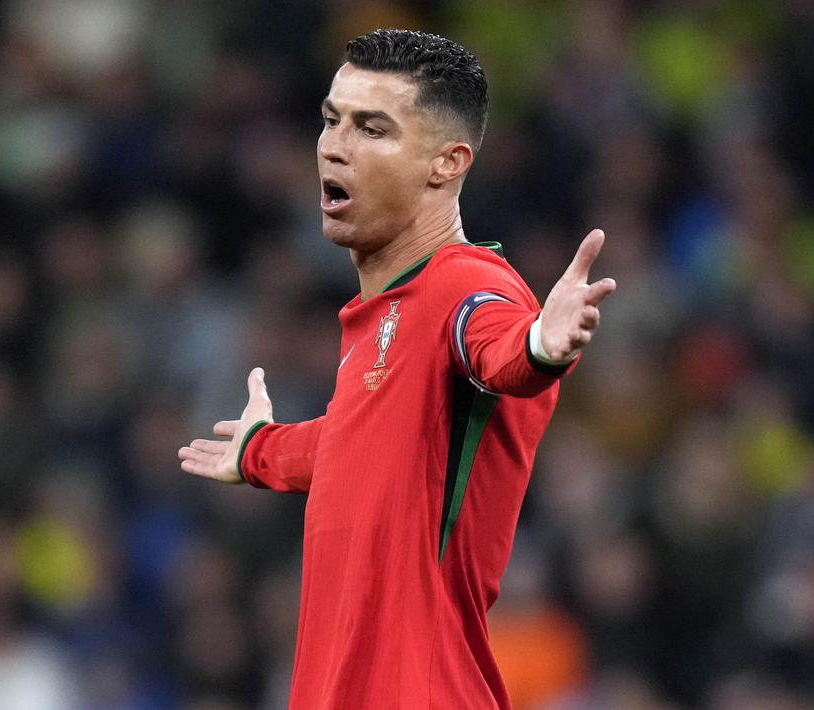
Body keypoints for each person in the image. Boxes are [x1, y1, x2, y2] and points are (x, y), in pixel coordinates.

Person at [178, 29, 615, 709]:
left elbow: (498, 352)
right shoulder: (385, 313)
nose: (333, 145)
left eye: (371, 128)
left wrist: (539, 348)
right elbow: (364, 442)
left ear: (445, 163)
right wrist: (261, 451)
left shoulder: (466, 286)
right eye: (330, 120)